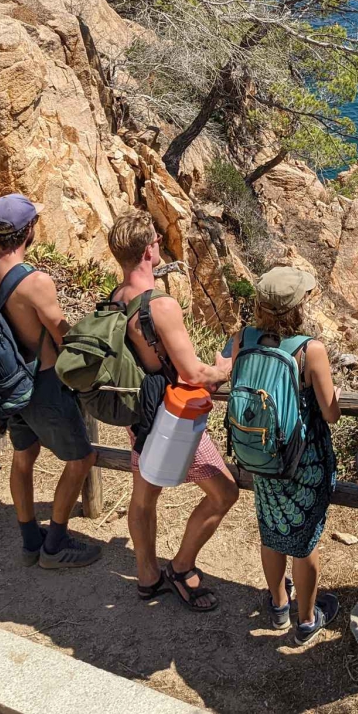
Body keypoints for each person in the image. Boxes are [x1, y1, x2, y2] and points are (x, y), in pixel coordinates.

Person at [105, 210, 237, 611]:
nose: (159, 243)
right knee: (224, 493)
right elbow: (193, 373)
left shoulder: (116, 298)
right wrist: (225, 368)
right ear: (148, 251)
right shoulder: (160, 305)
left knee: (144, 497)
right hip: (172, 417)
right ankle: (181, 567)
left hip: (140, 413)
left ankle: (148, 576)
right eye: (156, 240)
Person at [0, 193, 100, 569]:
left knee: (23, 455)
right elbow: (63, 335)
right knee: (82, 458)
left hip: (6, 380)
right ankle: (55, 545)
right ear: (28, 230)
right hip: (41, 382)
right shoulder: (35, 281)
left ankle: (30, 539)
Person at [226, 266, 342, 644]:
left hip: (262, 453)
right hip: (303, 461)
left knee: (271, 530)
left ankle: (278, 606)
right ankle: (306, 620)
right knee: (304, 542)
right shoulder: (310, 350)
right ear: (299, 306)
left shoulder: (243, 338)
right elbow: (331, 413)